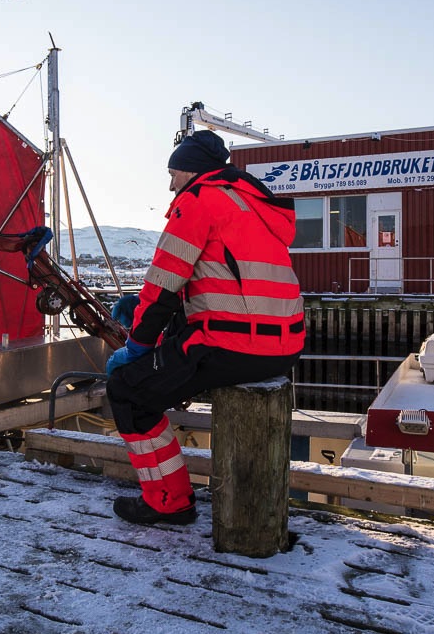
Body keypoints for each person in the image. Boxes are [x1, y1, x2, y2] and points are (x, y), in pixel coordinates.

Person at [105, 130, 305, 524]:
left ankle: (168, 501)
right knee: (161, 369)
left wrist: (139, 345)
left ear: (191, 171)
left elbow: (163, 285)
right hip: (284, 348)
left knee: (127, 389)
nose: (170, 185)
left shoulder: (197, 200)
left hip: (233, 346)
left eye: (173, 173)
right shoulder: (250, 204)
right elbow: (225, 283)